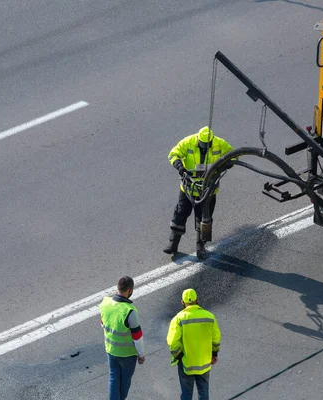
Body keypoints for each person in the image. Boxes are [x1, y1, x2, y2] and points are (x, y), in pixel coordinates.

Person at [163, 126, 234, 259]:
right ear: (198, 139)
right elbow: (173, 154)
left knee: (204, 219)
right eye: (202, 144)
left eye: (207, 145)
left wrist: (226, 164)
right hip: (189, 187)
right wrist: (180, 167)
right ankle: (173, 243)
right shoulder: (188, 142)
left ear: (212, 141)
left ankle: (200, 246)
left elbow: (233, 155)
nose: (205, 147)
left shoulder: (220, 144)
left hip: (208, 189)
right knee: (180, 213)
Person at [167, 288, 221, 400]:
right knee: (203, 392)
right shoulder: (209, 317)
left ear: (182, 302)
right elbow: (216, 338)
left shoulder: (178, 319)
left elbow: (172, 342)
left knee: (186, 394)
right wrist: (214, 354)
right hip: (205, 362)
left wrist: (179, 356)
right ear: (197, 300)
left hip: (187, 364)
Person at [99, 276, 146, 400]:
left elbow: (103, 324)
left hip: (111, 351)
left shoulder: (105, 304)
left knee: (113, 378)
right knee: (125, 382)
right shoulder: (130, 312)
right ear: (130, 290)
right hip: (127, 355)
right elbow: (138, 337)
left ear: (118, 287)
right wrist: (141, 354)